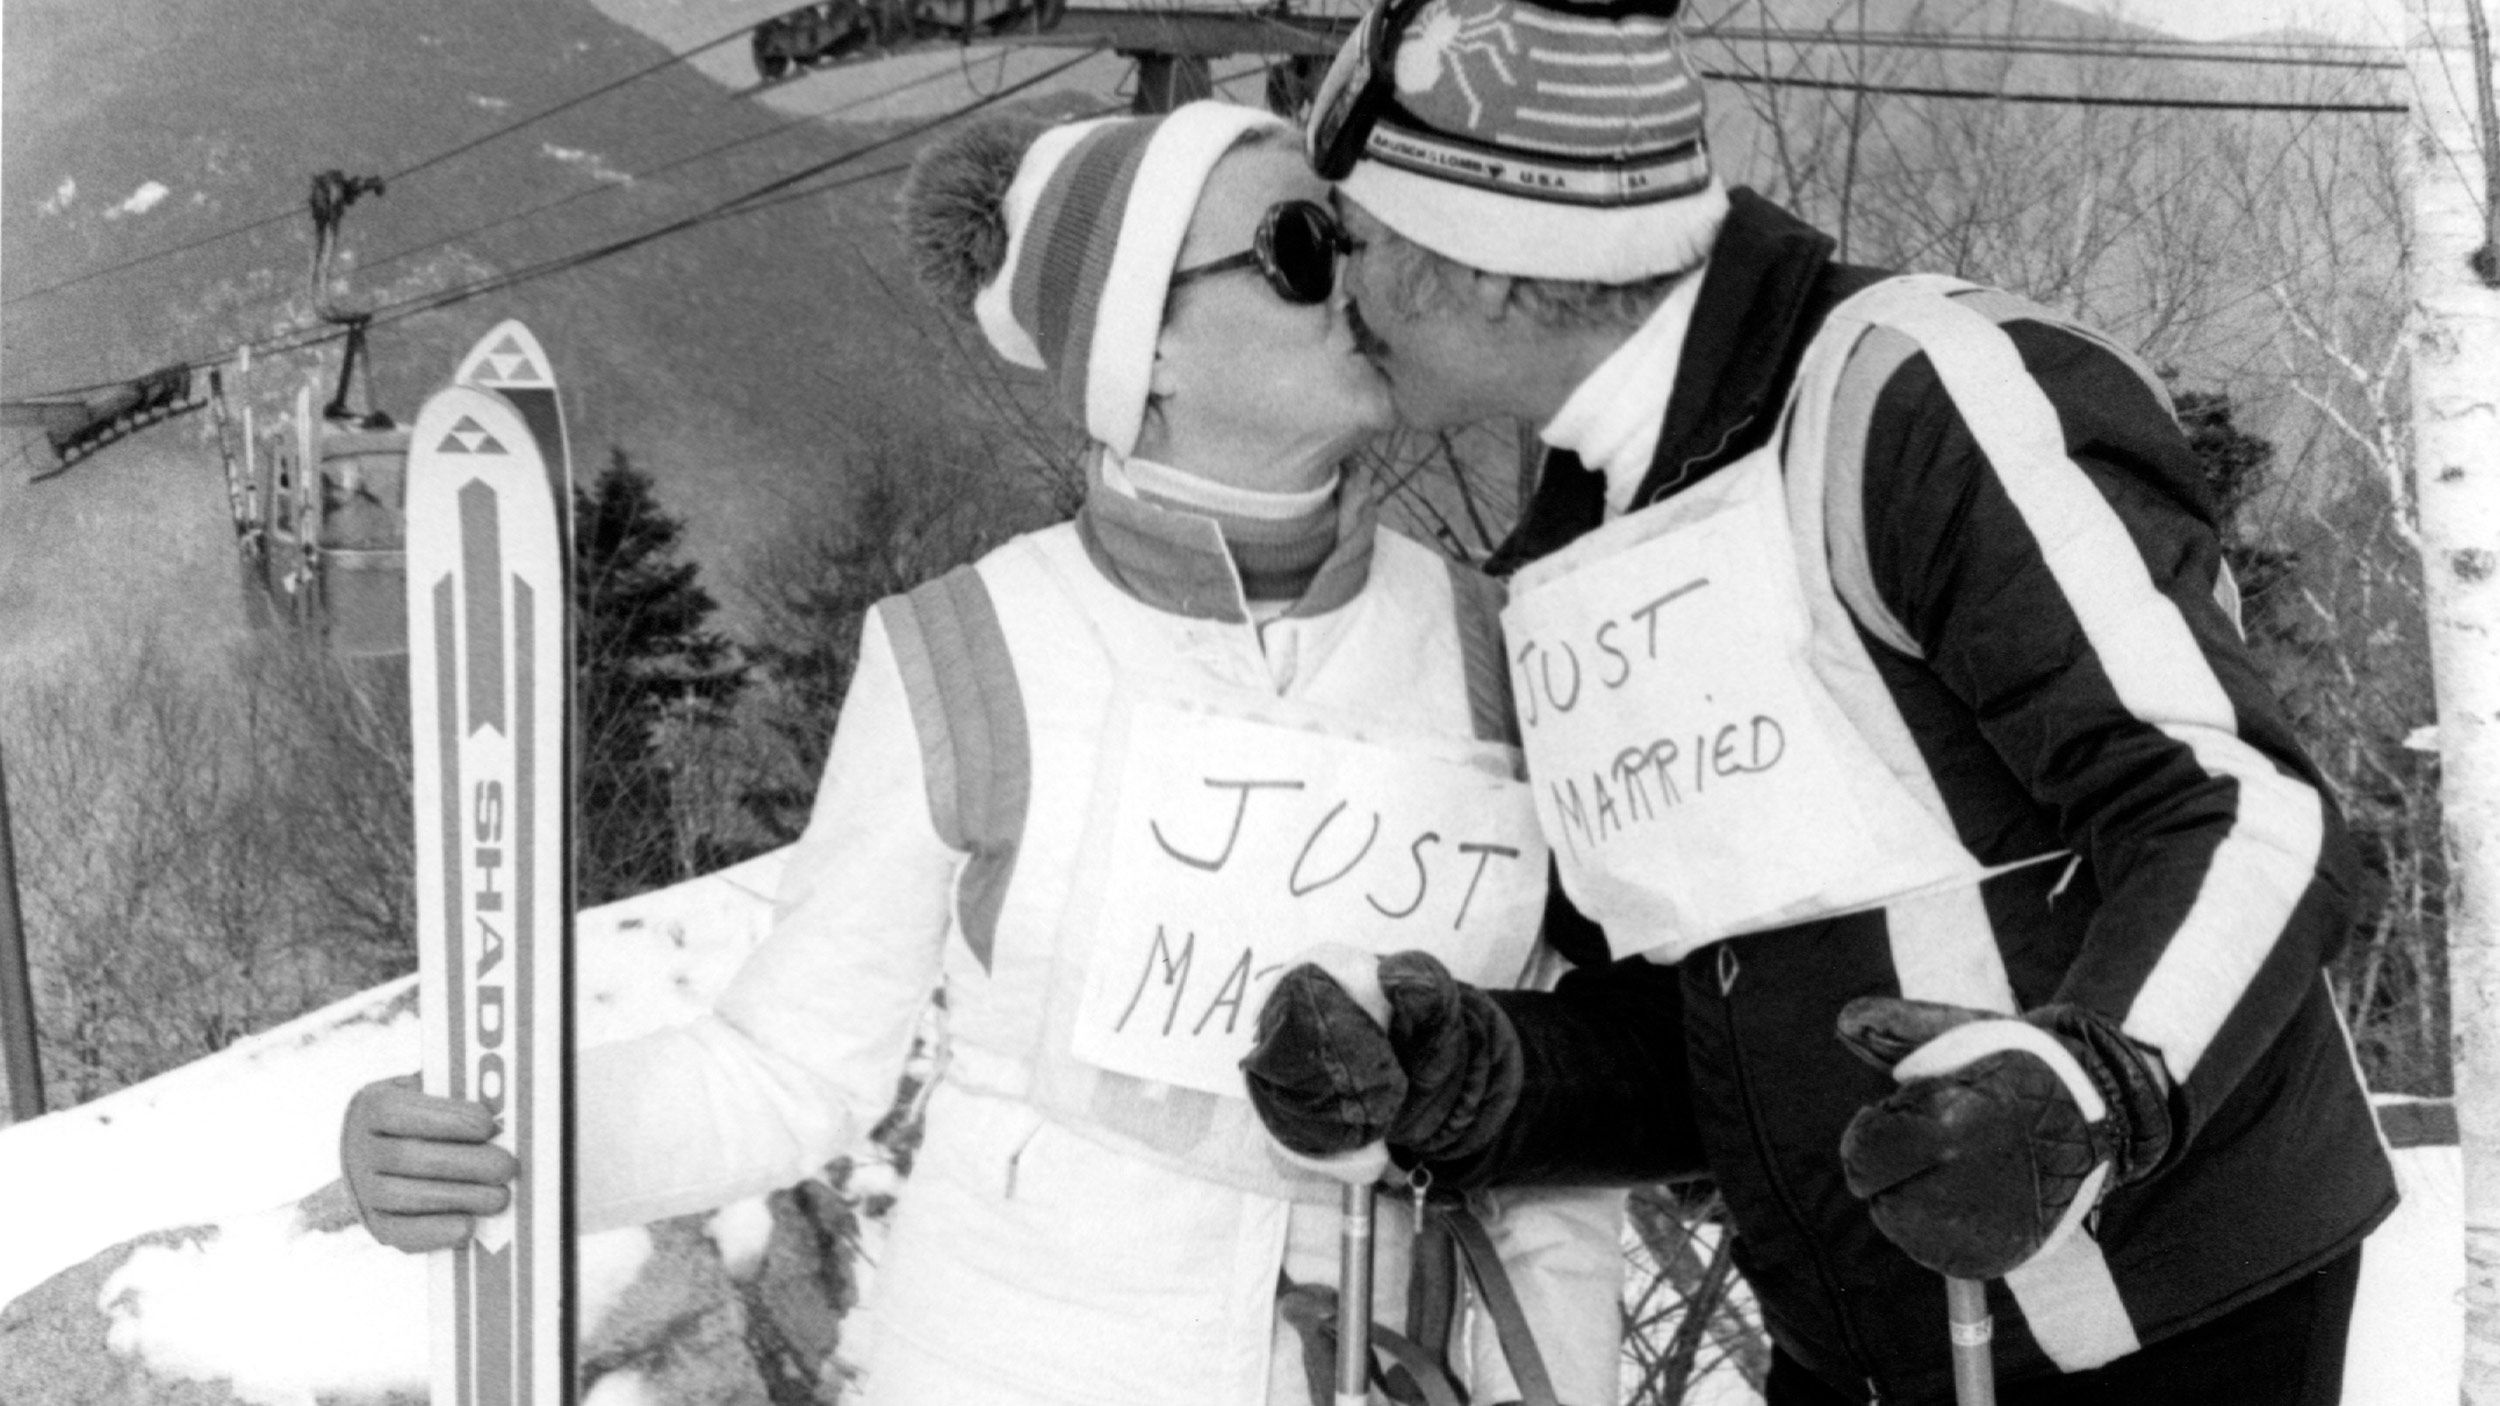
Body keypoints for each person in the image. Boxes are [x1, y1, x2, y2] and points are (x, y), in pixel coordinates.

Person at [338, 99, 1626, 1406]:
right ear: (1150, 346)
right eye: (1304, 244)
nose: (1362, 277)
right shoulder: (975, 646)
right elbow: (789, 1069)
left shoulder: (1490, 646)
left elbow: (1561, 1109)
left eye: (1357, 233)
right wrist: (496, 1130)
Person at [1236, 3, 2399, 1404]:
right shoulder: (1569, 558)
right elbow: (1726, 1022)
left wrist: (2087, 1083)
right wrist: (1476, 1078)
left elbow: (2244, 813)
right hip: (1861, 1338)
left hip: (2162, 1310)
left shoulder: (1918, 397)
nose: (1337, 298)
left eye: (1348, 240)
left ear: (1490, 259)